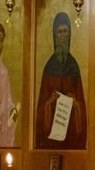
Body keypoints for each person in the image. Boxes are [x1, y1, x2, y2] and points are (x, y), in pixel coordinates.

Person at [36, 11, 86, 148]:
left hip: (71, 134)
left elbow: (81, 106)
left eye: (65, 32)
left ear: (69, 35)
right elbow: (40, 109)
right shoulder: (49, 68)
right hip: (52, 136)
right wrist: (50, 101)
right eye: (59, 32)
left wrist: (75, 103)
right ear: (55, 35)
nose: (63, 36)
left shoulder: (73, 66)